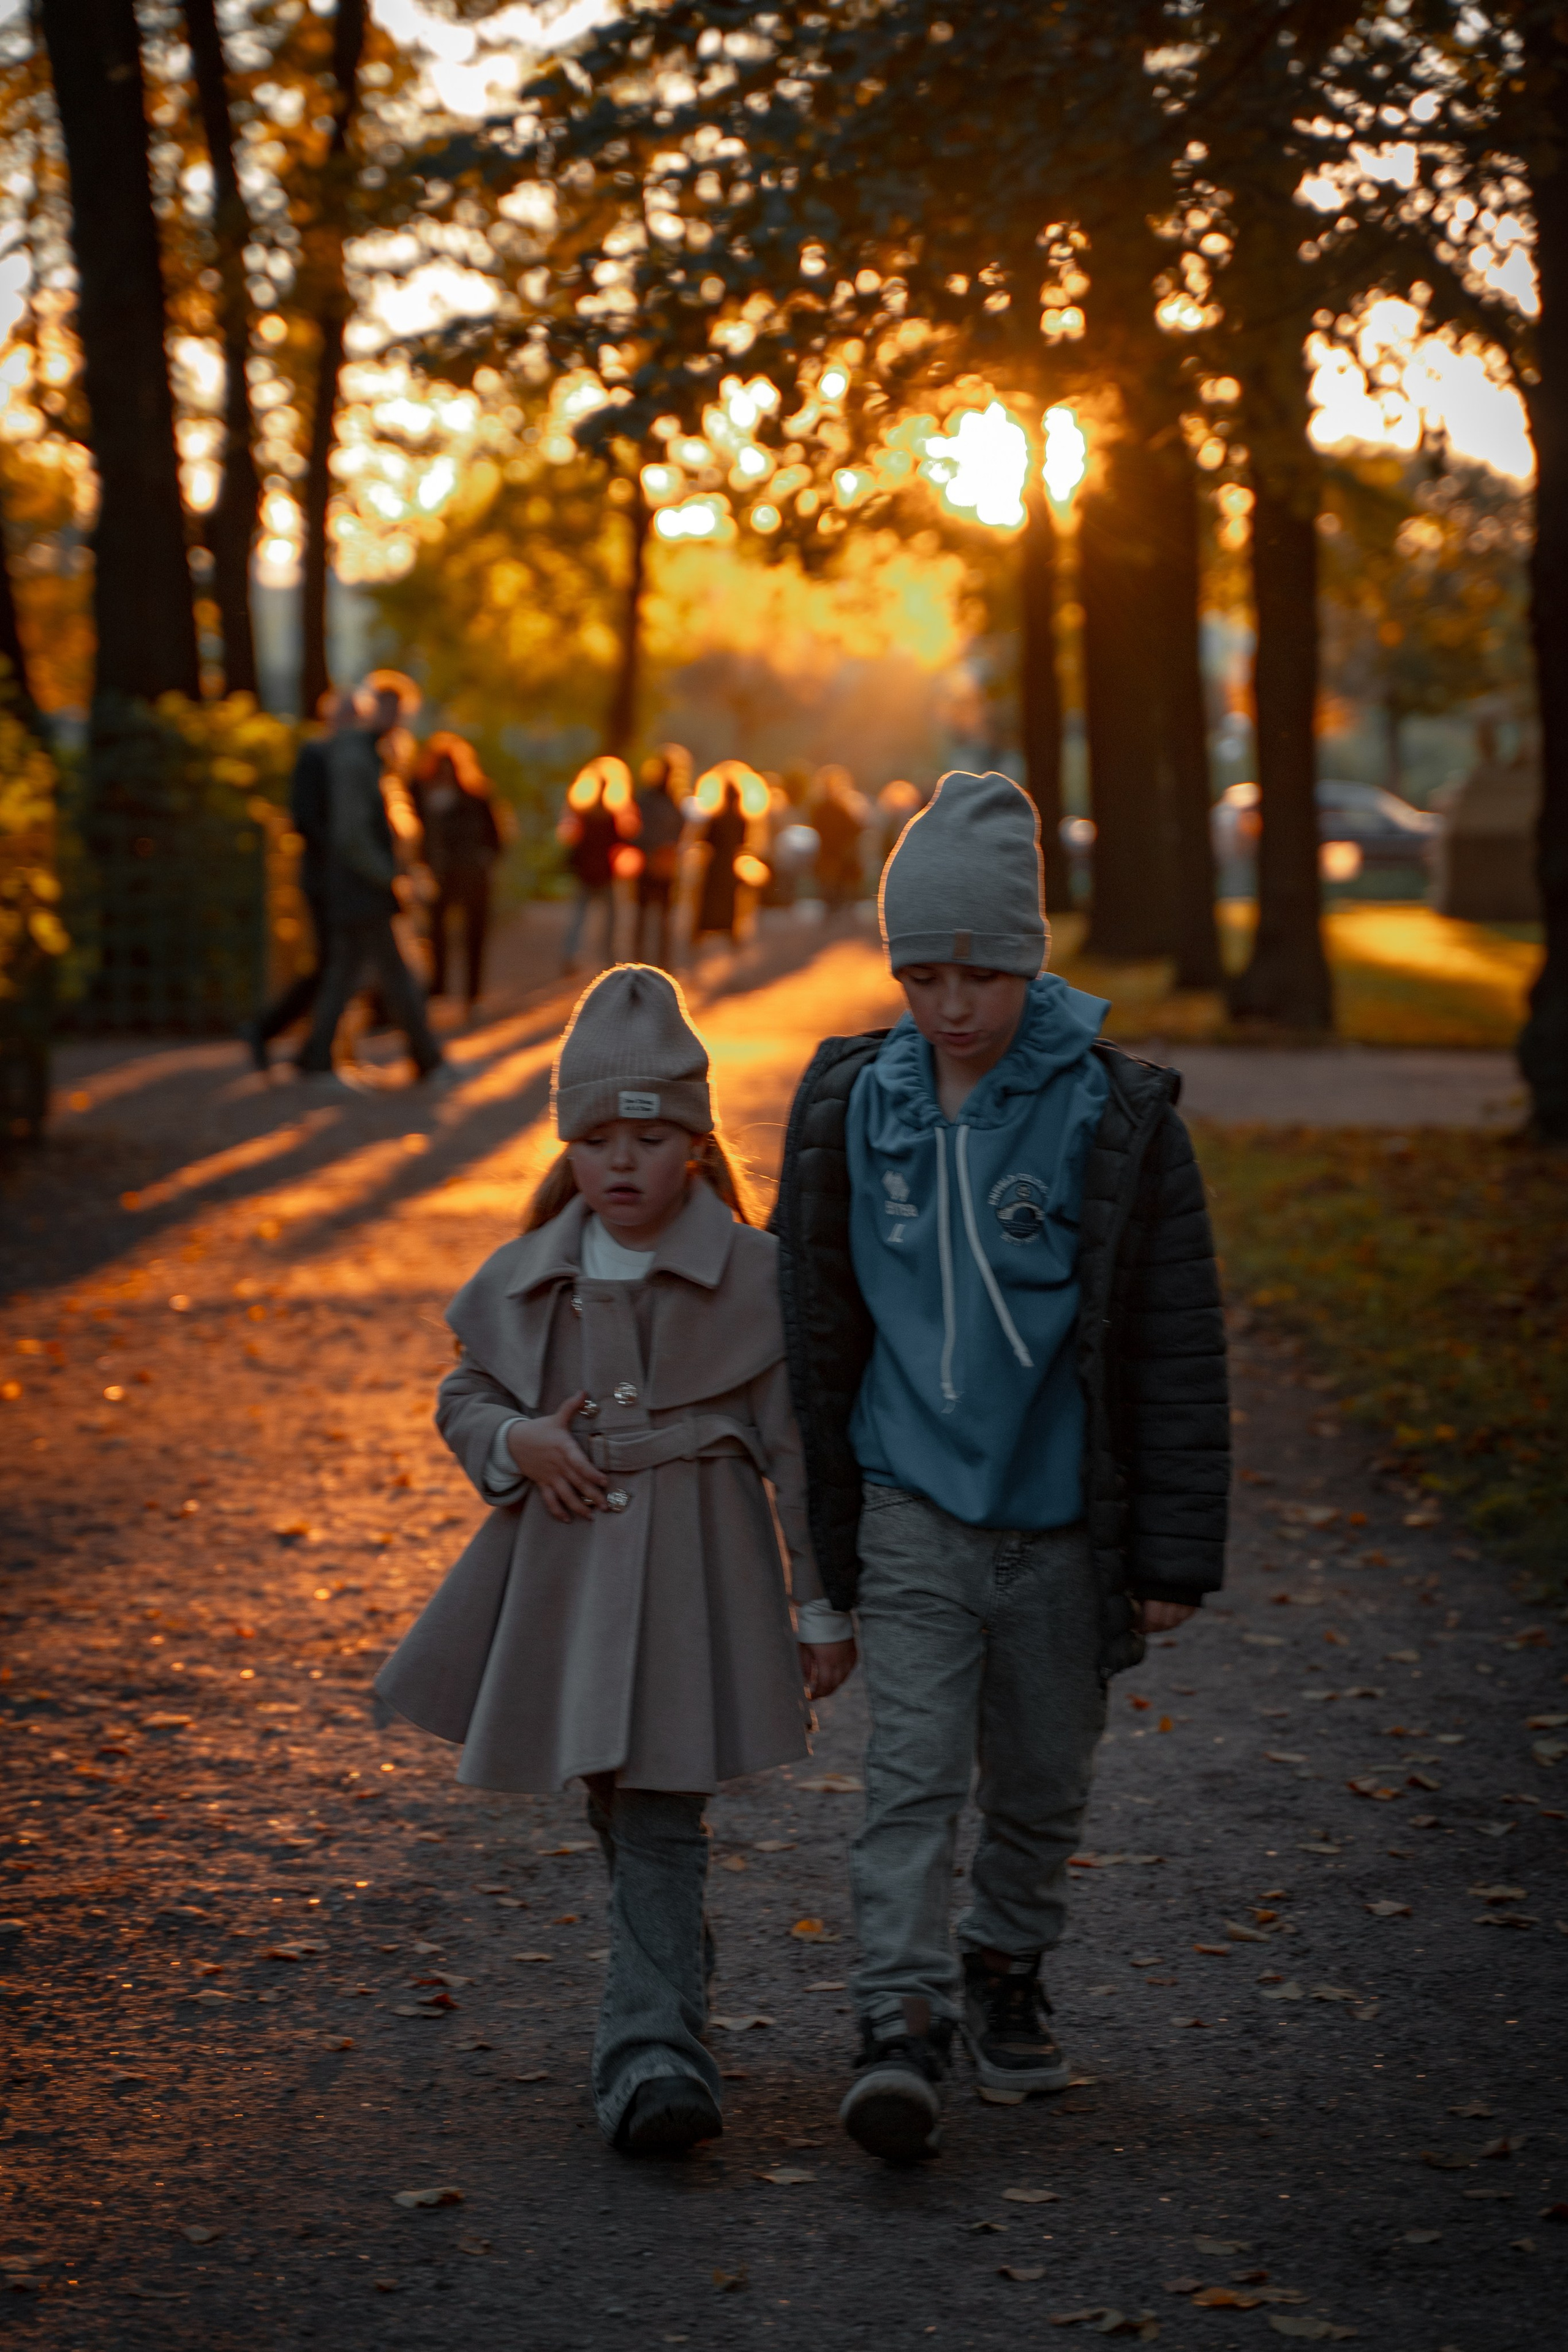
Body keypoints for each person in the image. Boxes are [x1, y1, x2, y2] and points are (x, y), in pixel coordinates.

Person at [771, 769, 1229, 2162]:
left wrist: (1167, 1554)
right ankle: (896, 2020)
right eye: (922, 971)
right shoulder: (856, 1105)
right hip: (912, 1507)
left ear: (1030, 957)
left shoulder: (1113, 1113)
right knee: (908, 1775)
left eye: (981, 970)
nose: (951, 1001)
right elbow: (812, 1329)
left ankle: (1001, 1965)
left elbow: (1172, 1341)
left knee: (1037, 1781)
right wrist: (822, 1570)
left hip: (1059, 1527)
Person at [375, 965, 846, 2157]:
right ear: (567, 1148)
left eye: (648, 1135)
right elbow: (464, 1390)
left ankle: (649, 2055)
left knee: (658, 1808)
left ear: (693, 1142)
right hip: (570, 1574)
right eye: (594, 1137)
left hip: (697, 1573)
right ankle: (670, 1967)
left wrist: (820, 1604)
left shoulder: (754, 1275)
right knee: (614, 1795)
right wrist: (518, 1439)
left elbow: (797, 1448)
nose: (621, 1162)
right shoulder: (531, 1268)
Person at [294, 678, 447, 1091]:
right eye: (387, 707)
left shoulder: (373, 755)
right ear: (371, 708)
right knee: (396, 974)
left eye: (400, 710)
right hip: (362, 886)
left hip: (363, 884)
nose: (394, 718)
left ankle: (316, 1058)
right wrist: (389, 877)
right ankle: (428, 1061)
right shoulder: (356, 756)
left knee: (347, 973)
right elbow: (352, 833)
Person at [238, 690, 352, 1071]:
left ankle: (306, 1044)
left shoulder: (344, 759)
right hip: (323, 878)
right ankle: (275, 1032)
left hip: (338, 878)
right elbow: (303, 816)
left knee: (336, 965)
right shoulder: (316, 756)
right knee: (332, 965)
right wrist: (338, 847)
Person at [413, 733, 509, 1011]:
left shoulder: (477, 796)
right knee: (435, 935)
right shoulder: (419, 793)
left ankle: (472, 994)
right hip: (437, 875)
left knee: (474, 934)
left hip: (471, 874)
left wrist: (484, 860)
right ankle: (437, 989)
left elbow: (496, 836)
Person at [559, 756, 633, 973]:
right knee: (607, 919)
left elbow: (573, 843)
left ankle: (573, 955)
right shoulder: (609, 815)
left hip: (591, 872)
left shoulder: (586, 813)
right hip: (604, 872)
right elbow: (622, 842)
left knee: (582, 918)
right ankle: (608, 958)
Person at [633, 744, 691, 967]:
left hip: (658, 863)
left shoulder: (653, 798)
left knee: (651, 916)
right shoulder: (670, 801)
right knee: (655, 917)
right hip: (657, 863)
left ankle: (652, 960)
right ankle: (656, 961)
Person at [692, 775, 747, 949]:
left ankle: (702, 933)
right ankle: (727, 933)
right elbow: (742, 845)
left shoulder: (717, 819)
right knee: (726, 903)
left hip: (717, 868)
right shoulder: (740, 820)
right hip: (728, 868)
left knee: (713, 903)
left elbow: (704, 841)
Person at [810, 764, 865, 917]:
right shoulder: (840, 806)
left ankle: (835, 911)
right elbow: (855, 828)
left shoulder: (826, 806)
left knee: (834, 887)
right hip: (835, 852)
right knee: (835, 888)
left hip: (834, 852)